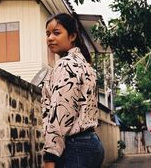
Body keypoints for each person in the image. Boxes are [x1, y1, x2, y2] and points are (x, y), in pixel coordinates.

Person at [41, 13, 104, 168]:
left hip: (75, 148)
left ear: (72, 36)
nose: (50, 38)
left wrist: (50, 157)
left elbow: (60, 113)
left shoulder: (66, 65)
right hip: (91, 143)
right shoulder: (85, 66)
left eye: (56, 33)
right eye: (48, 34)